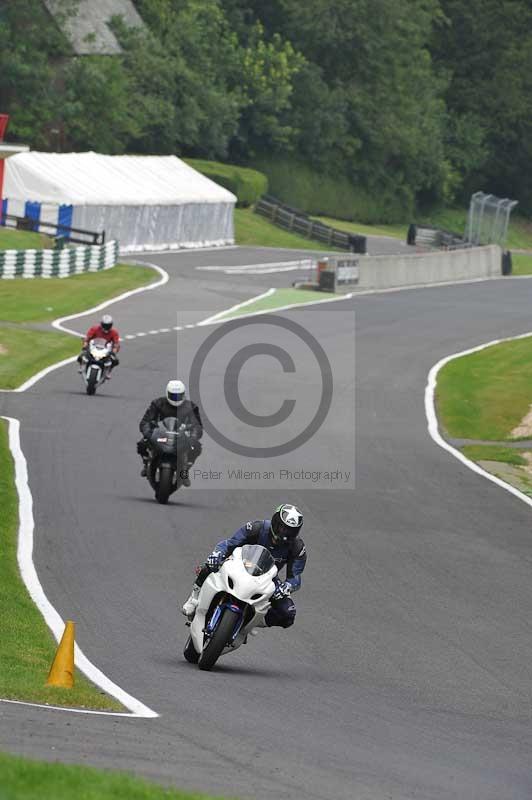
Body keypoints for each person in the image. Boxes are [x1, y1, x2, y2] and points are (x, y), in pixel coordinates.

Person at [182, 503, 306, 628]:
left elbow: (295, 577)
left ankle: (250, 624)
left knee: (288, 614)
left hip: (268, 578)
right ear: (274, 522)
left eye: (291, 531)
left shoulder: (297, 547)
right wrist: (217, 554)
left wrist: (287, 587)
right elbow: (230, 544)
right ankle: (194, 598)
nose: (285, 534)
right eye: (282, 528)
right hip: (239, 563)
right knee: (210, 564)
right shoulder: (256, 528)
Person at [137, 379, 203, 486]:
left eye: (178, 396)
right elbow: (145, 421)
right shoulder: (157, 403)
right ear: (167, 393)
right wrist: (149, 433)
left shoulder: (191, 407)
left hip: (181, 436)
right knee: (142, 443)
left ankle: (184, 471)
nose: (176, 399)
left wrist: (193, 437)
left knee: (196, 447)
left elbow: (198, 426)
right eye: (173, 396)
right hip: (161, 434)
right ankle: (146, 464)